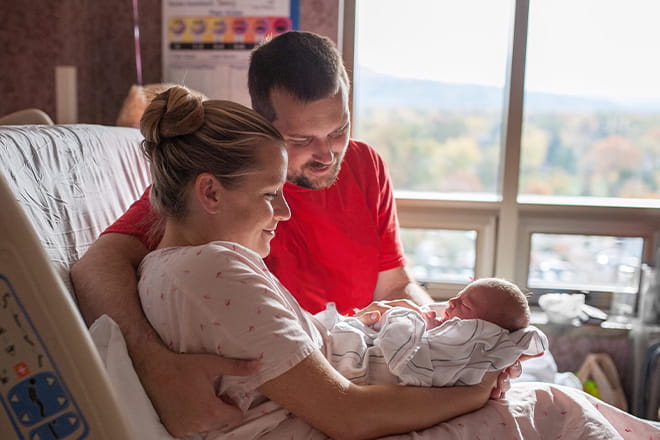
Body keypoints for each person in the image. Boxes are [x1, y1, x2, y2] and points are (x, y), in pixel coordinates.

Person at [70, 31, 451, 436]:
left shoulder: (365, 165)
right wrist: (155, 368)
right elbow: (97, 266)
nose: (326, 155)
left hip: (360, 362)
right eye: (302, 140)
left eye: (338, 130)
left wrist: (453, 329)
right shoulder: (223, 188)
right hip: (302, 396)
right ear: (262, 121)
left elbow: (393, 284)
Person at [137, 86, 500, 439]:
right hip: (340, 418)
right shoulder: (215, 269)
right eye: (270, 195)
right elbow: (347, 415)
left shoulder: (164, 267)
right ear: (211, 192)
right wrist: (476, 392)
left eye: (339, 130)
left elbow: (272, 353)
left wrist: (365, 325)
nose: (285, 211)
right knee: (548, 405)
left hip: (339, 392)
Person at [318, 278, 547, 388]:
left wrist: (407, 318)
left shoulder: (463, 347)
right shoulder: (460, 341)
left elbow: (403, 357)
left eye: (464, 305)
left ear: (481, 331)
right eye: (457, 296)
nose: (451, 301)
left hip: (346, 356)